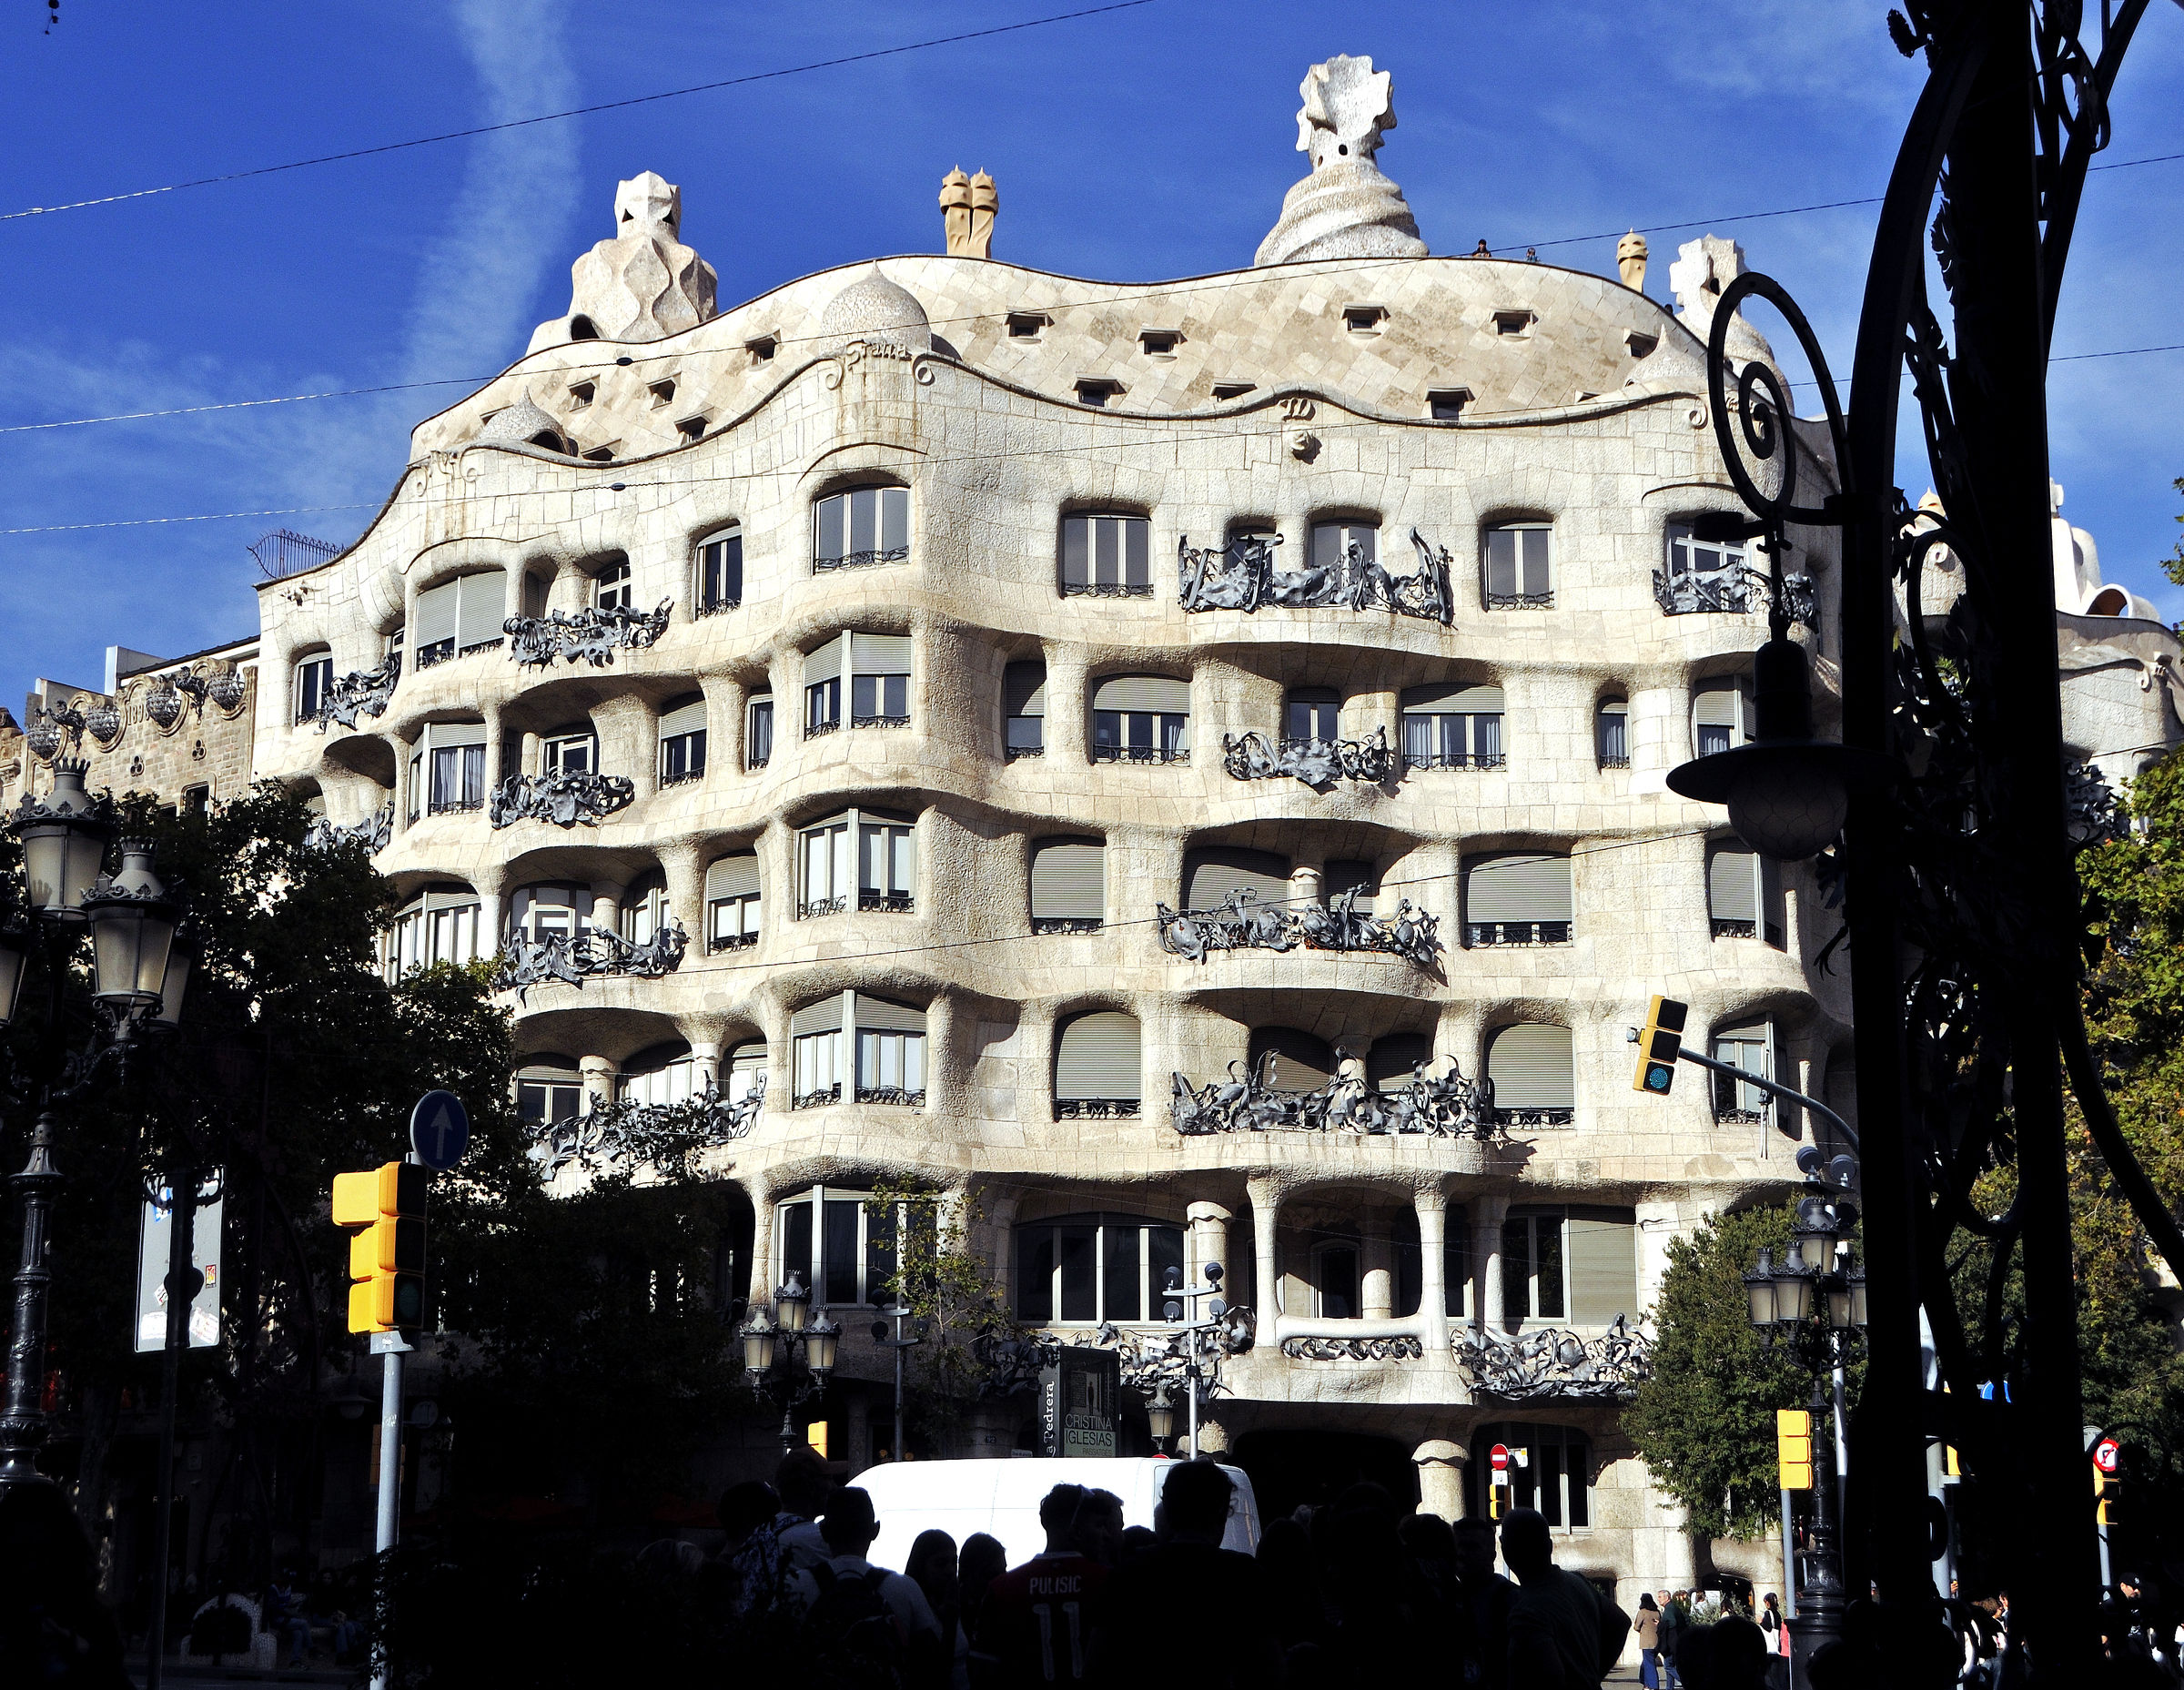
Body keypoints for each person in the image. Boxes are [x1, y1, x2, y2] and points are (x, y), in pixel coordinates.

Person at [1086, 1461, 1282, 1688]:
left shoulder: (1129, 1574)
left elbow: (1095, 1669)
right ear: (1221, 1512)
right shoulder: (1246, 1577)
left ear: (1168, 1512)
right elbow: (1272, 1675)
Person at [794, 1485, 944, 1689]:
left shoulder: (794, 1585)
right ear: (875, 1530)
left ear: (823, 1530)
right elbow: (928, 1670)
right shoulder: (905, 1589)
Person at [971, 1484, 1111, 1688]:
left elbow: (984, 1675)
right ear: (1076, 1531)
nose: (1106, 1535)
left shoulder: (1003, 1588)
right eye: (1099, 1525)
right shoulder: (1110, 1581)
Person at [1501, 1507, 1622, 1687]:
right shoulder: (1577, 1582)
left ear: (1505, 1549)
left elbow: (1550, 1675)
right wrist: (1592, 1676)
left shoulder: (1527, 1612)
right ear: (1549, 1546)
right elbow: (1620, 1622)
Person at [1452, 1518, 1519, 1690]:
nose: (1461, 1553)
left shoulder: (1510, 1600)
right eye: (1457, 1546)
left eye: (1472, 1547)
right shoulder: (1446, 1596)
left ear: (1492, 1555)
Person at [905, 1529, 966, 1690]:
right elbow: (934, 1680)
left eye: (953, 1562)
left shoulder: (957, 1603)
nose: (950, 1571)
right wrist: (949, 1627)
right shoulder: (911, 1611)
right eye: (940, 1564)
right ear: (921, 1566)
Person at [957, 1533, 1009, 1655]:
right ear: (965, 1576)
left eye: (1004, 1573)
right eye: (991, 1575)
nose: (1000, 1581)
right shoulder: (949, 1615)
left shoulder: (1007, 1609)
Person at [264, 1572, 311, 1669]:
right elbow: (272, 1607)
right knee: (304, 1623)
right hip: (277, 1619)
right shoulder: (273, 1589)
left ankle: (295, 1661)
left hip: (286, 1617)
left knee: (298, 1634)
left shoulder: (288, 1588)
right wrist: (285, 1606)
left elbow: (287, 1602)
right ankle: (311, 1649)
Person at [1635, 1594, 1661, 1689]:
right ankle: (1646, 1683)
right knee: (1646, 1663)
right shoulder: (1657, 1612)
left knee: (1649, 1665)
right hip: (1657, 1641)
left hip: (1646, 1642)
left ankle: (1653, 1685)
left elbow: (1636, 1626)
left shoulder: (1642, 1612)